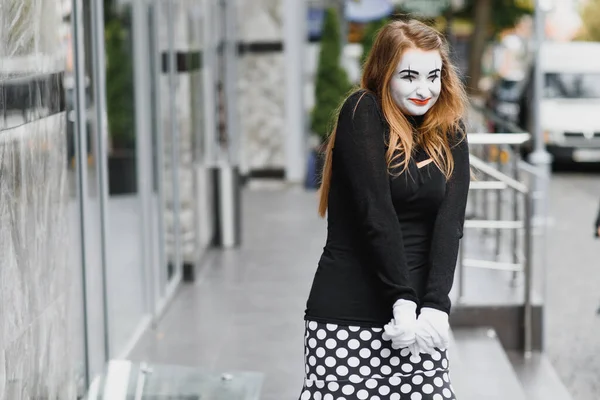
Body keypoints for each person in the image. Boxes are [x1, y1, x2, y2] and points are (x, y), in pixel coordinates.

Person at [299, 19, 470, 400]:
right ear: (384, 72)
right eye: (409, 76)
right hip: (349, 312)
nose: (424, 89)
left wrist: (436, 306)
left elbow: (450, 224)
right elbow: (375, 213)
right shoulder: (363, 110)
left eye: (433, 76)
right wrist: (403, 301)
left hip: (420, 322)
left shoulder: (449, 130)